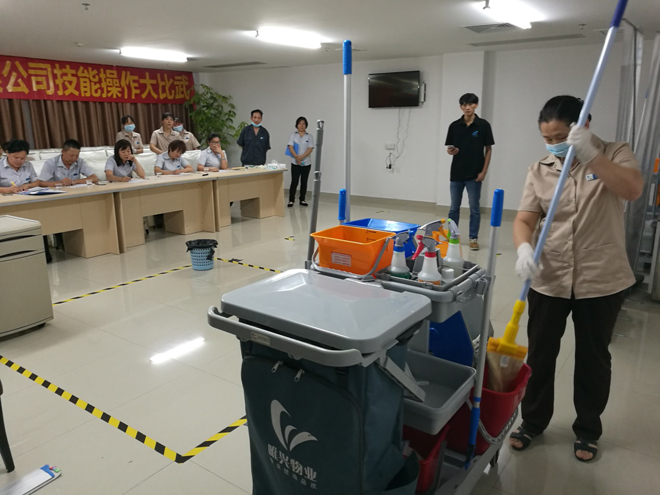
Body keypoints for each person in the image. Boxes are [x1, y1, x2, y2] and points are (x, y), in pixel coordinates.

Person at [508, 95, 643, 462]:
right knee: (540, 354)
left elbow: (632, 189)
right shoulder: (539, 168)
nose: (554, 144)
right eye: (547, 138)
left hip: (601, 278)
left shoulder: (615, 153)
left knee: (593, 358)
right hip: (549, 275)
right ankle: (533, 421)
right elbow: (524, 219)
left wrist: (590, 156)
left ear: (583, 125)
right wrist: (523, 249)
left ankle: (587, 429)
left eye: (560, 137)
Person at [445, 93, 494, 251]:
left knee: (474, 208)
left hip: (475, 174)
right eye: (464, 105)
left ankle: (473, 238)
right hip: (456, 173)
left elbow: (488, 149)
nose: (467, 108)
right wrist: (451, 151)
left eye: (470, 104)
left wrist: (484, 171)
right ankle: (452, 235)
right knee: (454, 208)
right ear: (461, 107)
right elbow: (449, 148)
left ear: (476, 105)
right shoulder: (454, 126)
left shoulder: (483, 125)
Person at [287, 116, 315, 207]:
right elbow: (290, 146)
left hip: (306, 162)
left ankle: (302, 199)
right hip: (295, 162)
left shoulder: (309, 136)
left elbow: (310, 149)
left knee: (304, 182)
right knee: (294, 181)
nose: (301, 125)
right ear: (297, 125)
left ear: (306, 125)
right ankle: (291, 200)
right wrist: (296, 157)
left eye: (303, 124)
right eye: (300, 124)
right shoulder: (293, 135)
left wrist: (301, 157)